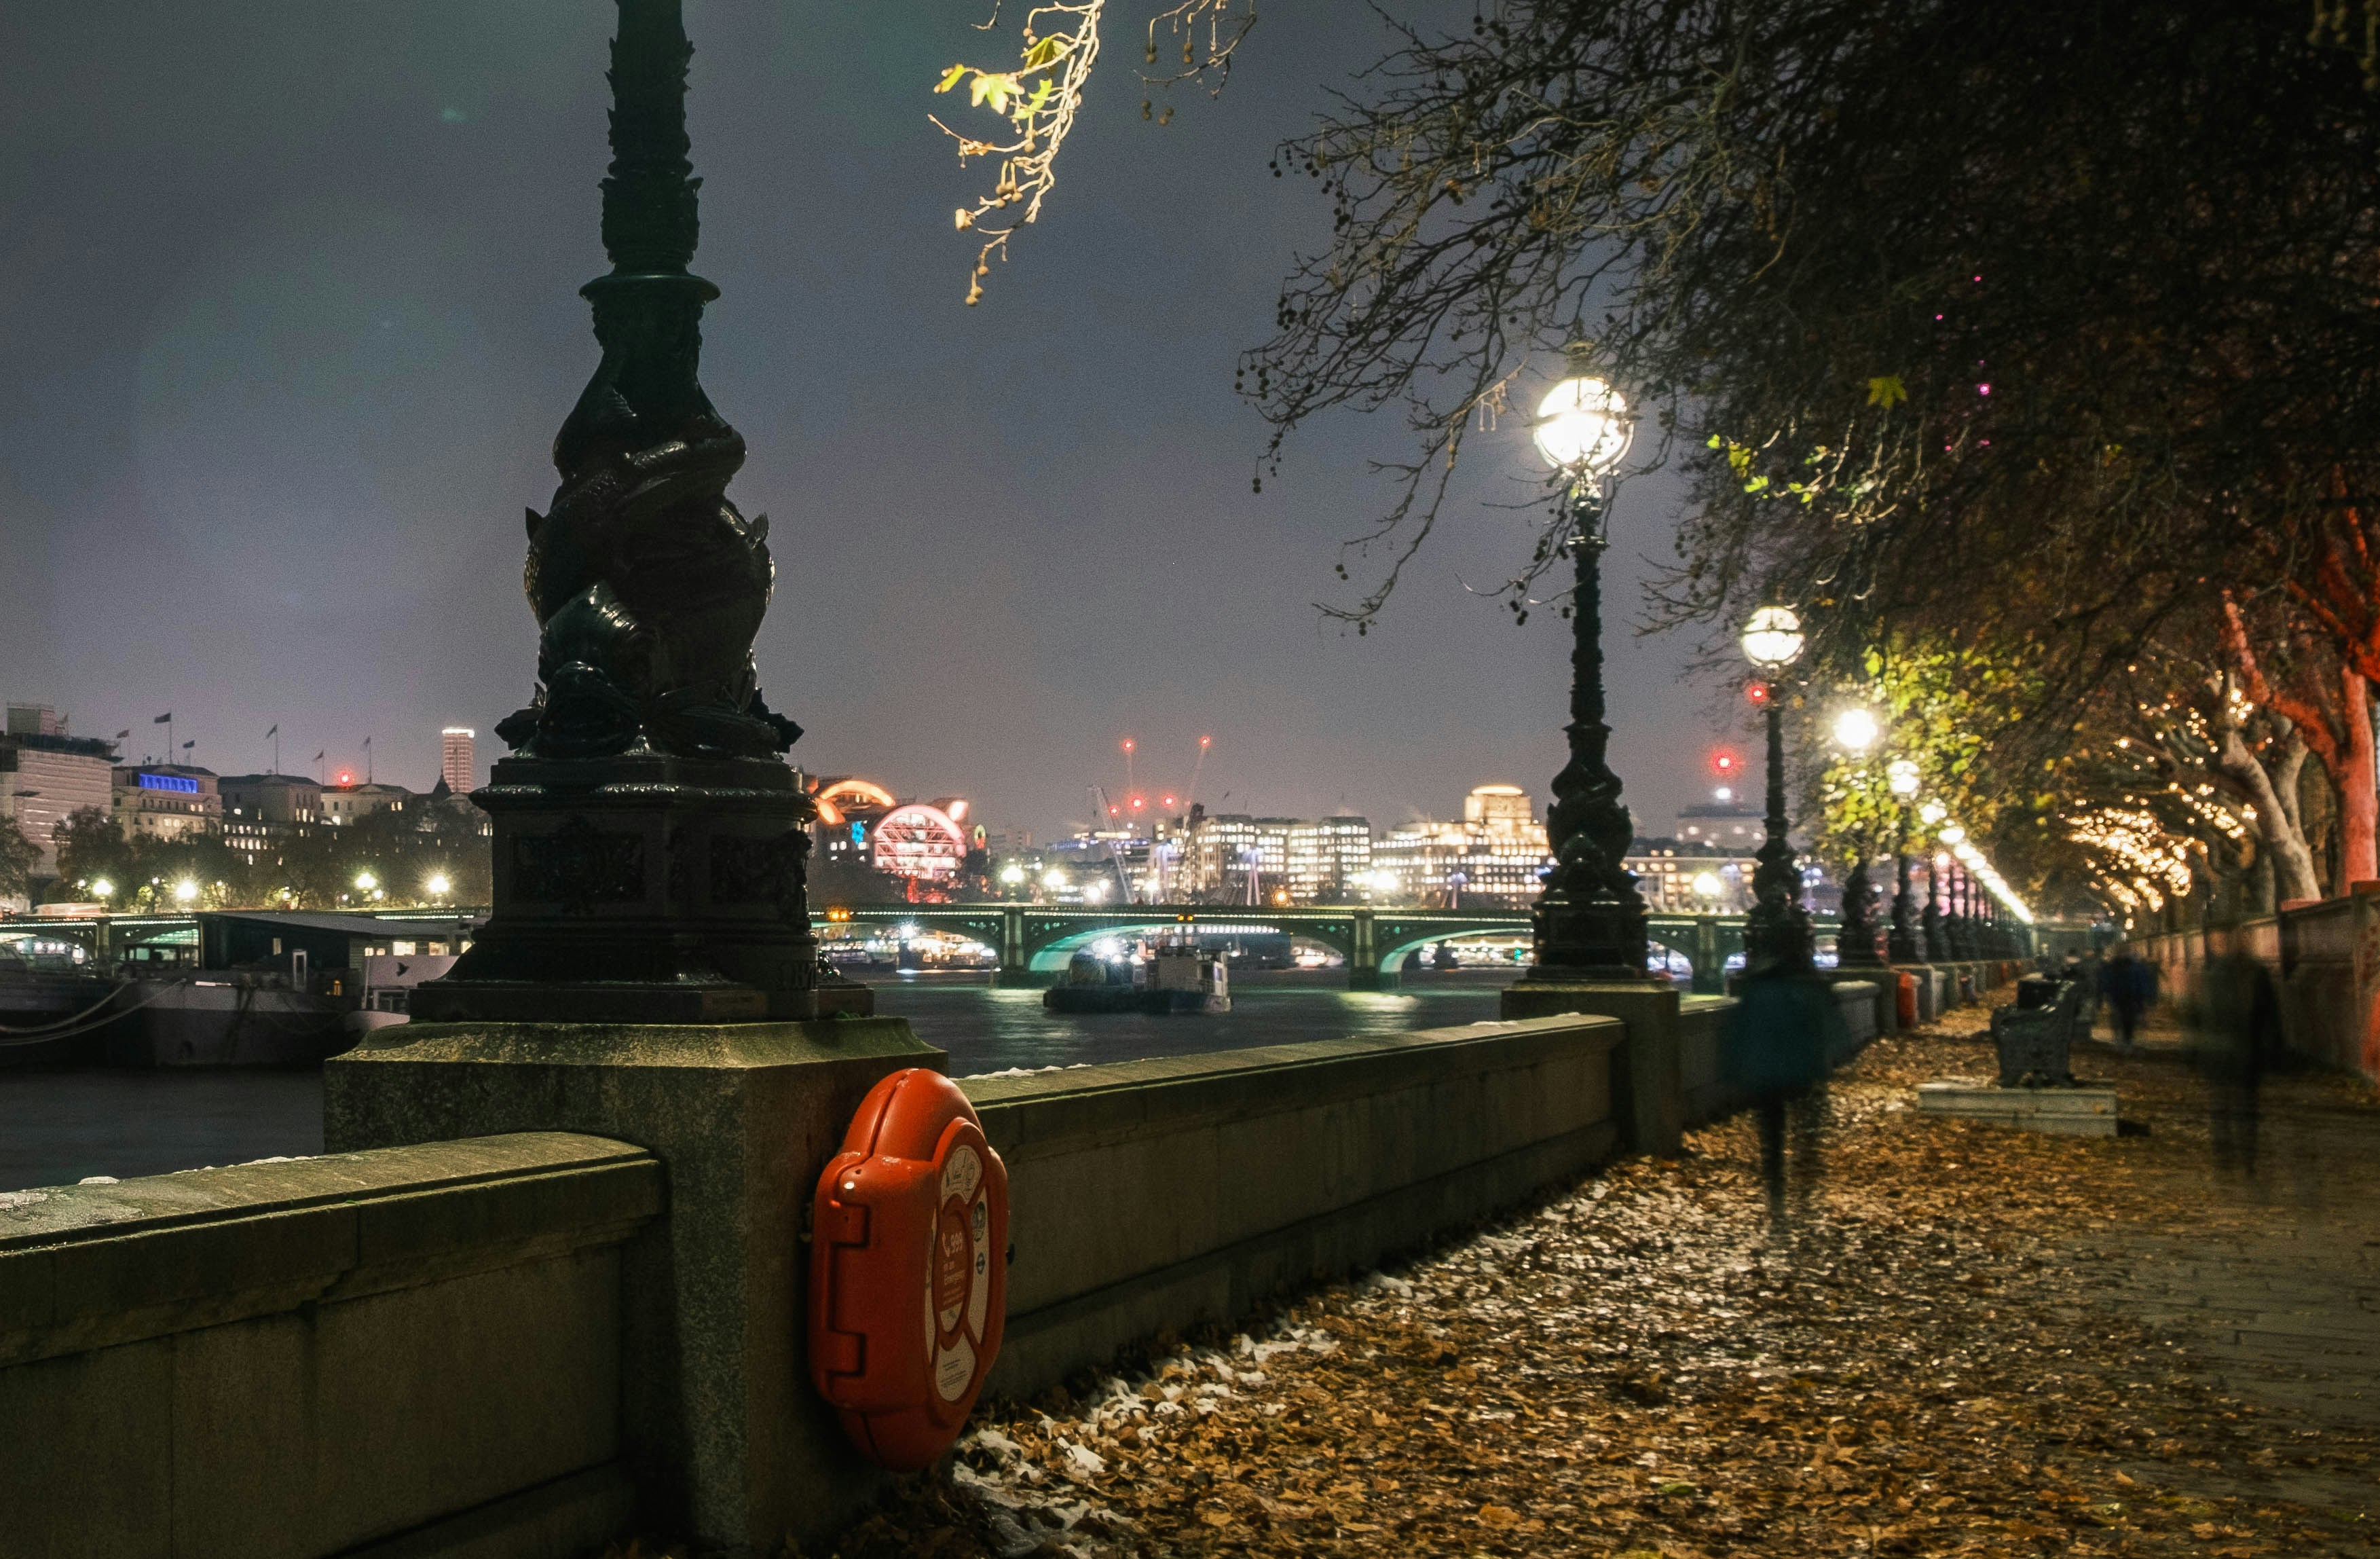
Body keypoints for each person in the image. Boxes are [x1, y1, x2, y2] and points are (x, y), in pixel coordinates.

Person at [2195, 947, 2280, 1177]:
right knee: (2239, 1110)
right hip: (2239, 1057)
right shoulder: (2250, 975)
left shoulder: (2214, 976)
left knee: (2228, 1109)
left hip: (2231, 1057)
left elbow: (2200, 1019)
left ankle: (2234, 1158)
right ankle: (2241, 1158)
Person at [2099, 951, 2149, 1046]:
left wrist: (2107, 993)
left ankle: (2121, 1038)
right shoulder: (2134, 969)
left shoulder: (2113, 969)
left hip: (2120, 999)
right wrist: (2142, 998)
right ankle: (2127, 1040)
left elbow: (2107, 984)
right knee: (2127, 1020)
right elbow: (2141, 984)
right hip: (2129, 998)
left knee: (2120, 1018)